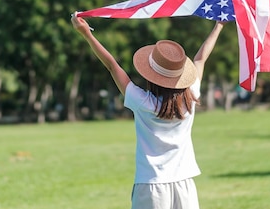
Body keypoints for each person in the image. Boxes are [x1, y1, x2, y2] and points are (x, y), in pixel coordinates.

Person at [71, 15, 225, 209]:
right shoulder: (191, 97)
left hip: (151, 185)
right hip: (185, 183)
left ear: (151, 76)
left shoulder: (142, 101)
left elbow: (112, 65)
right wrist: (219, 25)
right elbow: (200, 59)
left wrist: (86, 34)